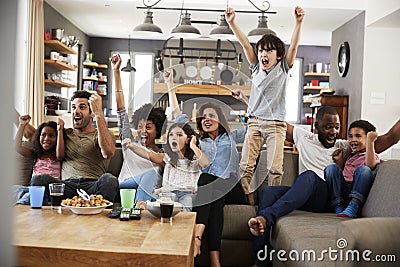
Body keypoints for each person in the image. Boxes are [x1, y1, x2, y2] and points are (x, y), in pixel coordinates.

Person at [248, 106, 400, 266]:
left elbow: (390, 138)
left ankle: (266, 217)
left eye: (337, 127)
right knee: (269, 192)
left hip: (327, 198)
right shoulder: (303, 137)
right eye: (328, 127)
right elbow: (274, 124)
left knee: (309, 176)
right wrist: (251, 103)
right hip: (304, 195)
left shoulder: (345, 146)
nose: (334, 132)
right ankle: (261, 261)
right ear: (316, 126)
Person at [164, 69, 247, 267]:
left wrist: (245, 100)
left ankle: (196, 237)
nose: (206, 118)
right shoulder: (198, 140)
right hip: (214, 191)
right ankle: (214, 261)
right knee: (213, 195)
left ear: (220, 118)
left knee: (206, 181)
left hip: (232, 187)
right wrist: (169, 83)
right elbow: (177, 114)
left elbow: (256, 123)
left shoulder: (232, 136)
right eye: (203, 116)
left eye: (212, 115)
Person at [226, 6, 305, 205]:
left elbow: (294, 47)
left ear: (278, 55)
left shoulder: (283, 68)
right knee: (245, 167)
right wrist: (232, 23)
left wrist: (298, 23)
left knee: (275, 168)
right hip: (253, 123)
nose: (264, 54)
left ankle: (269, 205)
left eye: (269, 51)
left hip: (276, 126)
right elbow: (245, 45)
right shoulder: (255, 68)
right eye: (261, 50)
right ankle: (252, 202)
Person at [30, 90, 118, 203]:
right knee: (39, 179)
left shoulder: (102, 134)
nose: (76, 111)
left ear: (92, 113)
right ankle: (48, 217)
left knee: (109, 180)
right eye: (73, 107)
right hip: (66, 186)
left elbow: (108, 153)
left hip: (92, 186)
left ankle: (97, 213)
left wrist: (99, 114)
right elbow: (34, 135)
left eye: (82, 107)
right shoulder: (65, 134)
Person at [111, 53, 167, 202]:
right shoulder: (129, 141)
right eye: (140, 126)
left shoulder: (162, 154)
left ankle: (141, 209)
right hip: (125, 187)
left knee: (152, 176)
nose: (143, 131)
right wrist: (116, 72)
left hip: (150, 192)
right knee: (151, 174)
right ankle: (140, 211)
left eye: (148, 127)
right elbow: (121, 108)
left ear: (158, 130)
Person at [123, 122, 209, 211]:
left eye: (179, 135)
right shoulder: (167, 158)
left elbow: (205, 163)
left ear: (188, 139)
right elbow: (149, 155)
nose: (174, 137)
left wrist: (193, 145)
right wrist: (131, 146)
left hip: (187, 193)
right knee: (159, 203)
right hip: (168, 193)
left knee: (186, 206)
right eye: (171, 135)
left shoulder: (195, 160)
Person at [324, 120, 379, 218]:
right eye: (350, 136)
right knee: (331, 168)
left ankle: (353, 206)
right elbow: (344, 174)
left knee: (364, 170)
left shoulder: (370, 156)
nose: (353, 139)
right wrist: (339, 161)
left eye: (358, 136)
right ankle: (338, 204)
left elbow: (370, 166)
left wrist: (370, 142)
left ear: (367, 139)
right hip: (344, 191)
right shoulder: (351, 156)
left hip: (356, 191)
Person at [14, 115, 65, 204]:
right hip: (33, 188)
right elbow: (17, 147)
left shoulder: (57, 155)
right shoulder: (36, 154)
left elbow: (60, 155)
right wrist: (22, 125)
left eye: (51, 136)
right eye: (43, 135)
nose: (46, 139)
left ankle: (20, 205)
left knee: (27, 196)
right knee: (15, 189)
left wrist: (60, 131)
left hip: (48, 190)